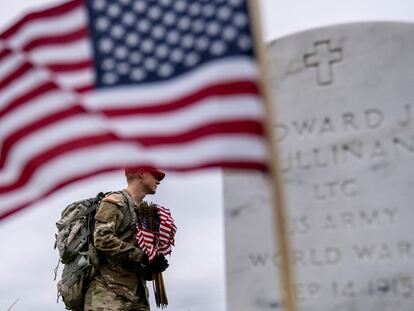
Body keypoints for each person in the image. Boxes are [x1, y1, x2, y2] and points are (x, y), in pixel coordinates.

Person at [83, 168, 169, 311]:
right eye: (155, 175)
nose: (159, 181)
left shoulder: (142, 213)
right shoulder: (115, 201)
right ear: (141, 173)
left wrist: (152, 266)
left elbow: (134, 263)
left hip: (137, 298)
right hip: (109, 298)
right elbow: (102, 239)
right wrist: (142, 257)